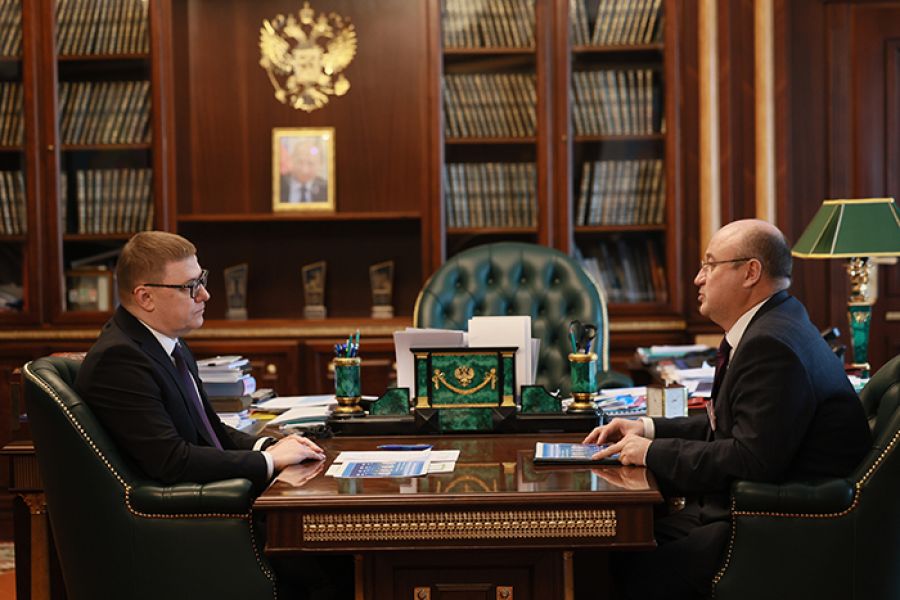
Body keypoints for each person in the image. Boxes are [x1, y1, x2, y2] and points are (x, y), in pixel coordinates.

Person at [584, 219, 872, 600]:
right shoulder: (776, 322)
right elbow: (733, 427)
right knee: (610, 546)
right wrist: (647, 428)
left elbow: (750, 459)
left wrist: (651, 453)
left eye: (709, 264)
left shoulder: (772, 345)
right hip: (752, 512)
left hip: (769, 530)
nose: (698, 278)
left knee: (609, 561)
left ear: (751, 272)